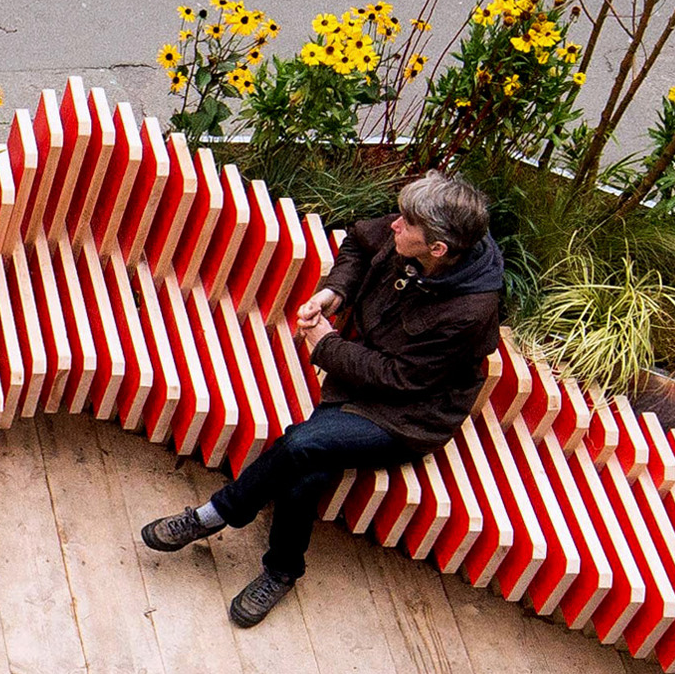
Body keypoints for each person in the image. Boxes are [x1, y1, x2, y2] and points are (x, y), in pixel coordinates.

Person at [141, 169, 504, 628]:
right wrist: (337, 290)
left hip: (405, 415)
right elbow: (357, 241)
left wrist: (325, 345)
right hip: (357, 373)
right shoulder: (424, 233)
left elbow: (401, 379)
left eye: (405, 225)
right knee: (305, 478)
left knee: (299, 445)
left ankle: (216, 515)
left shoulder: (470, 311)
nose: (394, 225)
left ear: (437, 250)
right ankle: (282, 571)